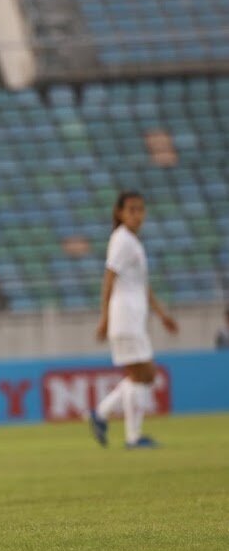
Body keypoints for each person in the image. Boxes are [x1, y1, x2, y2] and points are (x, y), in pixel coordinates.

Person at [88, 191, 178, 449]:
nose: (137, 215)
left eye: (140, 209)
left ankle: (102, 415)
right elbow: (109, 278)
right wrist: (104, 317)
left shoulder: (133, 242)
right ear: (120, 213)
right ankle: (132, 436)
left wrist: (162, 315)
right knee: (145, 373)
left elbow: (142, 285)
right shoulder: (121, 240)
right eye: (131, 210)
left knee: (142, 375)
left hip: (134, 317)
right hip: (124, 316)